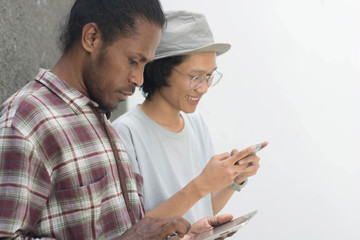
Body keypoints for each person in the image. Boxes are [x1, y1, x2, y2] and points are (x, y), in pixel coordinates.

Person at [0, 1, 234, 239]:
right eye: (134, 60)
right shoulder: (26, 121)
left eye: (145, 64)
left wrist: (185, 234)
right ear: (91, 38)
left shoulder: (98, 118)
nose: (140, 79)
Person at [112, 10, 268, 224]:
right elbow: (133, 232)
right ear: (162, 70)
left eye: (209, 76)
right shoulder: (125, 133)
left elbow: (200, 208)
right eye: (195, 77)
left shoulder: (196, 123)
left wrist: (233, 179)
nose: (203, 88)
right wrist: (203, 183)